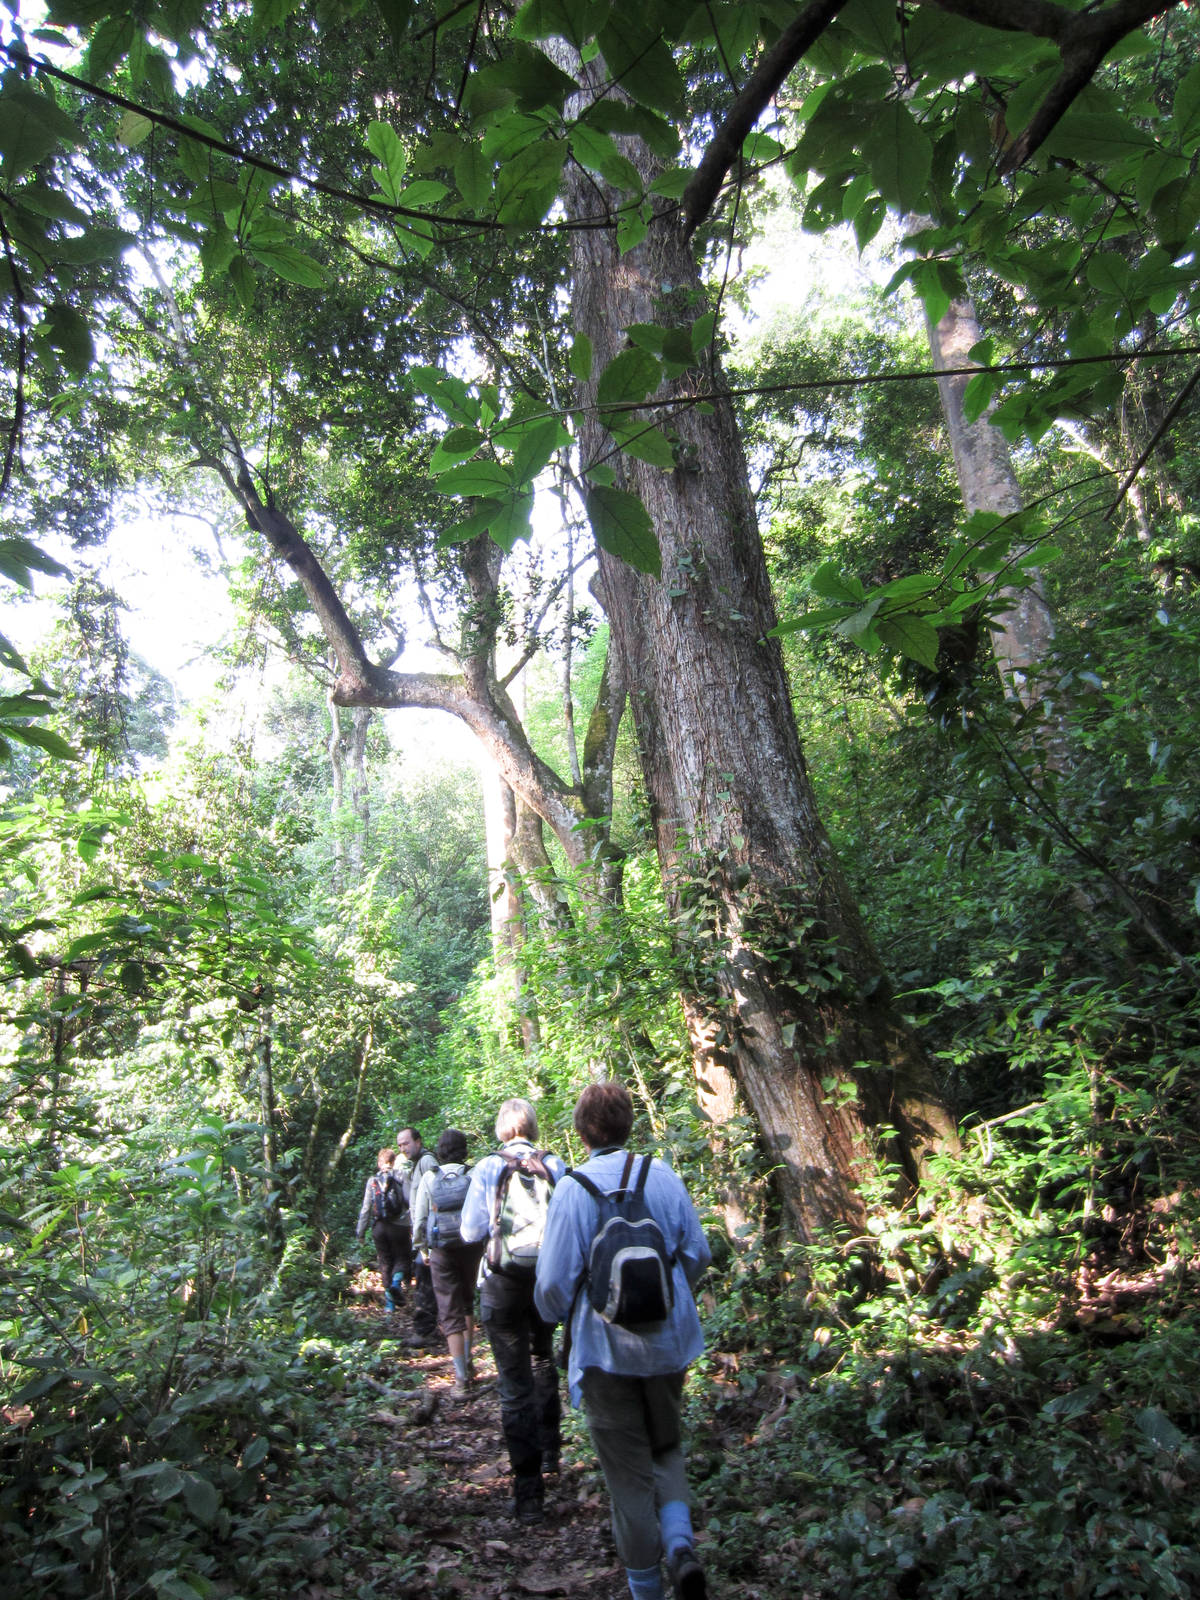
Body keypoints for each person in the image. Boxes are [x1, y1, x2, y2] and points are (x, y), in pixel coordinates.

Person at [535, 1082, 711, 1600]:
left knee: (627, 1477)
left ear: (581, 1131)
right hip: (668, 1344)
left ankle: (646, 1589)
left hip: (604, 1351)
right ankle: (680, 1542)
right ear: (630, 1124)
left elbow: (551, 1285)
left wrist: (556, 1317)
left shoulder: (574, 1188)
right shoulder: (662, 1176)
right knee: (666, 1443)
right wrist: (668, 1297)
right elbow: (697, 1253)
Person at [460, 1096, 566, 1523]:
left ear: (503, 1128)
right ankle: (551, 1455)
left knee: (514, 1381)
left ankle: (528, 1495)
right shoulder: (554, 1164)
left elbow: (470, 1231)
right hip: (546, 1280)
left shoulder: (489, 1167)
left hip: (502, 1282)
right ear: (533, 1126)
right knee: (543, 1361)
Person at [412, 1128, 486, 1399]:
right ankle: (468, 1362)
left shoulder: (430, 1178)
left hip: (441, 1249)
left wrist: (422, 1248)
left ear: (440, 1151)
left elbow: (420, 1219)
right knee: (467, 1303)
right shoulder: (474, 1174)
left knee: (449, 1310)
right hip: (470, 1246)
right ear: (464, 1149)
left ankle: (460, 1379)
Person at [396, 1125, 440, 1348]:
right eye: (400, 1145)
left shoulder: (426, 1162)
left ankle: (425, 1332)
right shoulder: (416, 1165)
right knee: (428, 1281)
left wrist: (425, 1241)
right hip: (427, 1236)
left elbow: (435, 1196)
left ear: (418, 1141)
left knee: (424, 1282)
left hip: (431, 1237)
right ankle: (432, 1329)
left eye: (406, 1143)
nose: (403, 1148)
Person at [354, 1147, 410, 1312]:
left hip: (379, 1227)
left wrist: (361, 1232)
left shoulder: (372, 1180)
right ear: (393, 1162)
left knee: (385, 1261)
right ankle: (395, 1284)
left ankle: (389, 1306)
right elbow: (409, 1201)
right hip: (400, 1226)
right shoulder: (401, 1176)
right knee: (403, 1258)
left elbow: (365, 1208)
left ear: (379, 1163)